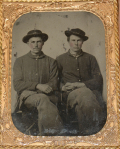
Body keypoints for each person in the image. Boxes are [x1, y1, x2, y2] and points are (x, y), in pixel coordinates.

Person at [56, 28, 107, 135]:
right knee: (84, 93)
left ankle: (86, 137)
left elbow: (98, 80)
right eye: (73, 40)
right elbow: (55, 80)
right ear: (68, 41)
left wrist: (81, 84)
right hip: (70, 95)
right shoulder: (60, 59)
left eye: (79, 40)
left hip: (90, 96)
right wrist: (62, 87)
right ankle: (101, 131)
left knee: (80, 108)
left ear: (82, 42)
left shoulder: (90, 58)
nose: (76, 43)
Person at [13, 29, 63, 136]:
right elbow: (17, 84)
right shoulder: (20, 61)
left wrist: (35, 90)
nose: (36, 45)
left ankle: (49, 137)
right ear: (28, 43)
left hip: (48, 96)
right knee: (41, 98)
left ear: (43, 43)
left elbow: (54, 83)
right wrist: (37, 86)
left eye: (38, 42)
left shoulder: (51, 61)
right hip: (27, 99)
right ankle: (52, 136)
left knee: (43, 99)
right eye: (33, 42)